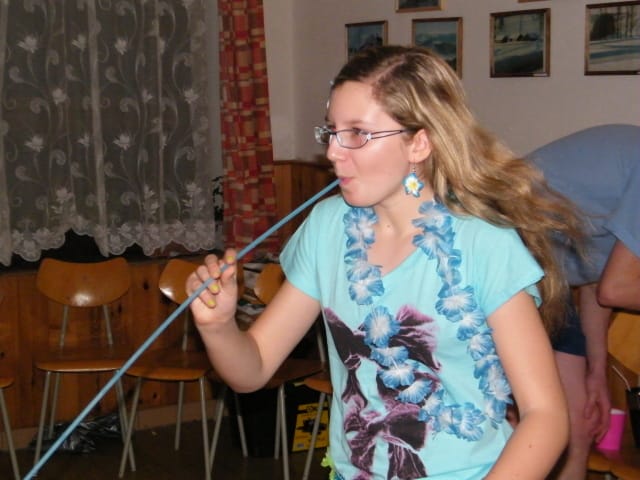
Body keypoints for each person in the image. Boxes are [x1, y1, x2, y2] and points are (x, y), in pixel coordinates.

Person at [187, 45, 582, 479]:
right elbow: (254, 369)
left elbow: (546, 415)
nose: (333, 152)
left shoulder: (483, 243)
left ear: (419, 143)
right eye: (331, 131)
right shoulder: (327, 227)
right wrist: (218, 327)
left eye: (358, 133)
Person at [528, 124, 640, 480]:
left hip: (549, 279)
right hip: (499, 252)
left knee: (576, 424)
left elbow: (598, 283)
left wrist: (597, 373)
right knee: (526, 424)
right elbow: (616, 288)